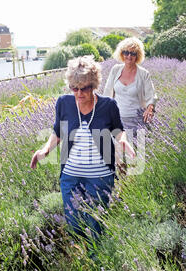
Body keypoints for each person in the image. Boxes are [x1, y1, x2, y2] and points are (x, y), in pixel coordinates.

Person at [30, 56, 135, 242]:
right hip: (70, 176)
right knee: (74, 224)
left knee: (96, 224)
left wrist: (123, 142)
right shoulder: (63, 103)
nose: (79, 93)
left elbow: (119, 131)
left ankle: (97, 263)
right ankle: (81, 256)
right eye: (74, 88)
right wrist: (45, 150)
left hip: (100, 177)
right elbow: (58, 132)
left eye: (84, 88)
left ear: (94, 85)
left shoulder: (108, 106)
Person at [103, 37, 157, 137]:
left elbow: (151, 95)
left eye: (133, 53)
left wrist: (150, 108)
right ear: (121, 54)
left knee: (140, 151)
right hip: (117, 120)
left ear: (138, 56)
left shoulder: (144, 73)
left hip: (138, 121)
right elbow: (107, 93)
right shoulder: (115, 70)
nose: (129, 56)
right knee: (118, 151)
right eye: (126, 52)